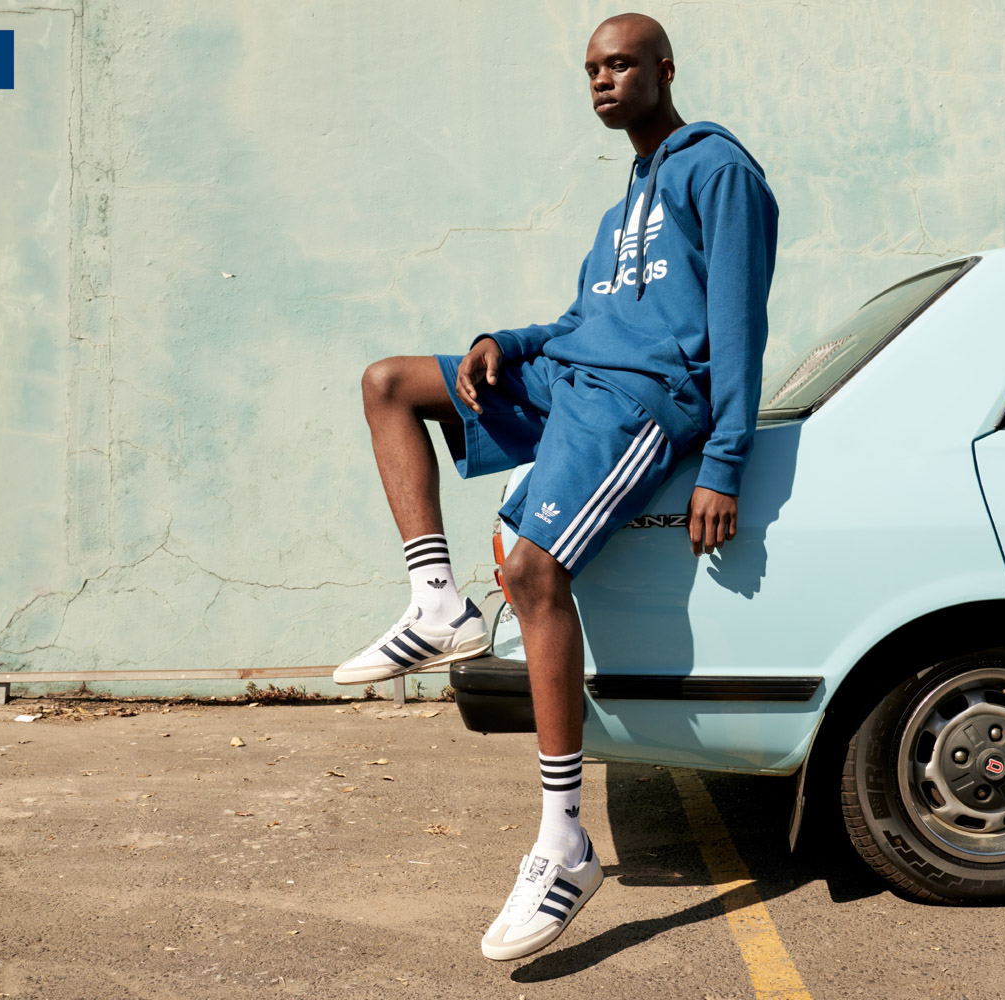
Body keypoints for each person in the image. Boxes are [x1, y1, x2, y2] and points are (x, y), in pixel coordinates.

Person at [332, 12, 778, 961]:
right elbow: (584, 321)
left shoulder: (718, 170)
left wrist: (725, 461)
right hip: (576, 375)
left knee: (535, 570)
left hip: (644, 399)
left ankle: (563, 839)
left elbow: (740, 325)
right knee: (390, 384)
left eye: (619, 65)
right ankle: (437, 602)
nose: (602, 82)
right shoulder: (624, 204)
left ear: (664, 70)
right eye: (590, 71)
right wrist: (506, 341)